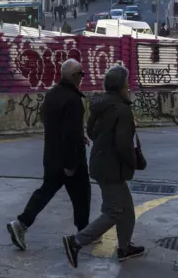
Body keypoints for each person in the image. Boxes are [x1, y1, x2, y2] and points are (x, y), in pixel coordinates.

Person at [63, 64, 146, 266]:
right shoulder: (122, 110)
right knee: (114, 210)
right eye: (127, 84)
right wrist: (133, 162)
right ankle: (76, 242)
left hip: (100, 163)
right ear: (121, 86)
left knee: (126, 207)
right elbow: (124, 144)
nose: (129, 87)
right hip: (112, 169)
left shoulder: (99, 106)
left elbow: (91, 133)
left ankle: (125, 247)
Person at [7, 58, 90, 251]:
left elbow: (55, 126)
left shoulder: (52, 94)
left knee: (45, 192)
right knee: (82, 195)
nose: (83, 78)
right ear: (74, 76)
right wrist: (70, 165)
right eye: (81, 74)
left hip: (52, 156)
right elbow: (68, 134)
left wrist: (79, 135)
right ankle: (85, 232)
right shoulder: (73, 100)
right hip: (70, 159)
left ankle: (21, 224)